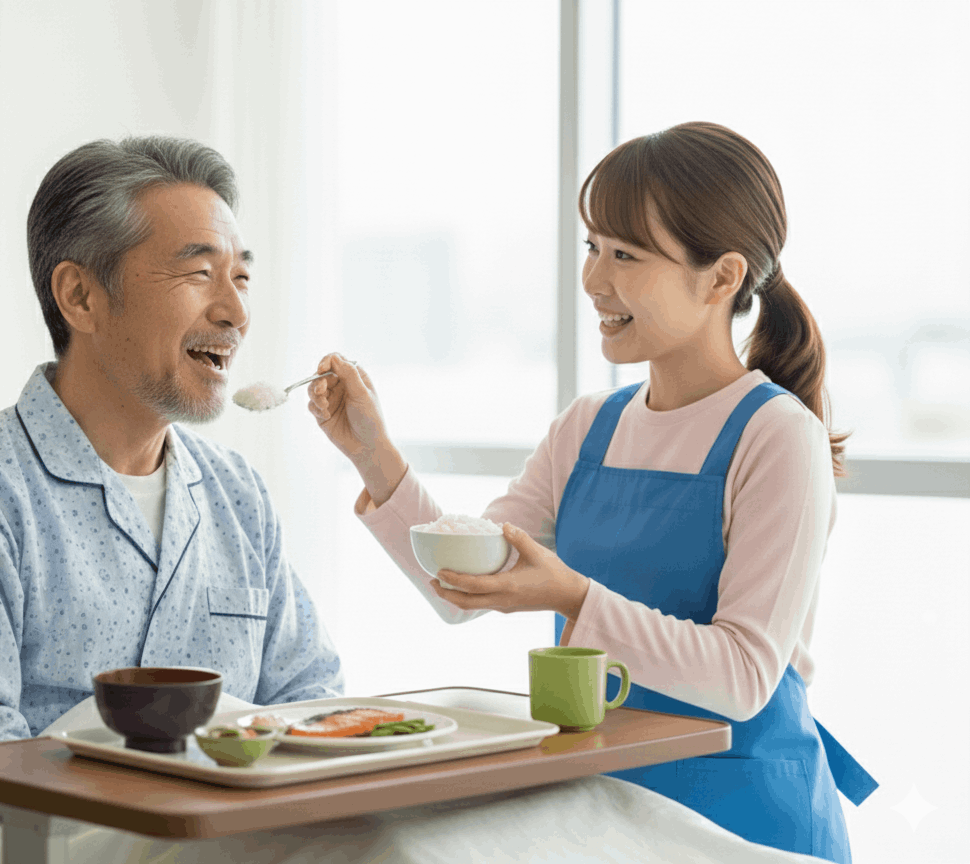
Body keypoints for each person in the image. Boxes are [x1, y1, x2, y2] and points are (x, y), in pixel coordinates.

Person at [308, 121, 876, 863]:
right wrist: (372, 455)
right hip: (605, 809)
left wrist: (574, 597)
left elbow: (742, 677)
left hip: (746, 823)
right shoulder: (587, 427)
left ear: (721, 278)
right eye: (592, 247)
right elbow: (463, 589)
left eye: (625, 255)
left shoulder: (777, 436)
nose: (593, 280)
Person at [0, 136, 343, 833]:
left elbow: (313, 701)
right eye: (199, 273)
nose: (235, 314)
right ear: (81, 296)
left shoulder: (237, 495)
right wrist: (175, 796)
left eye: (241, 278)